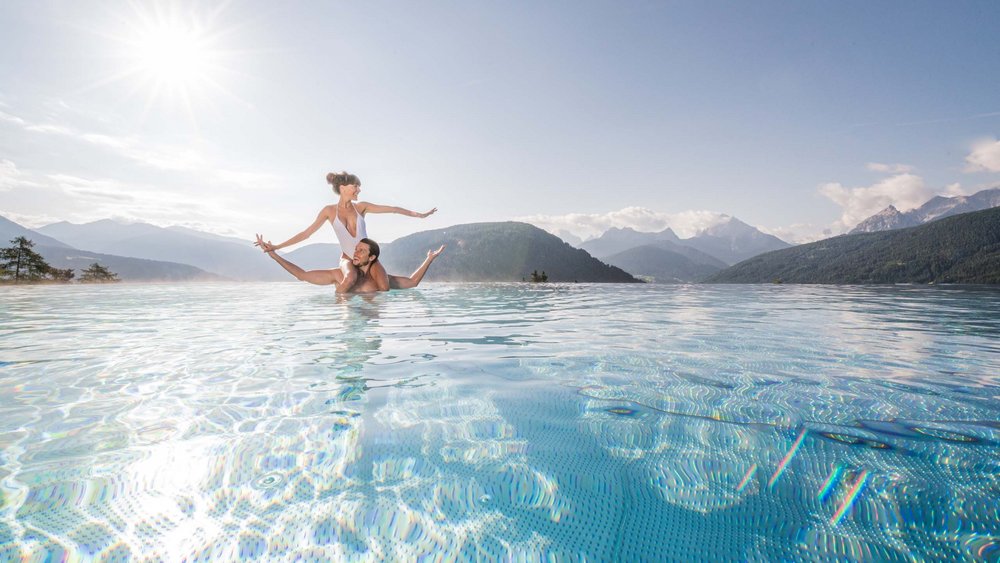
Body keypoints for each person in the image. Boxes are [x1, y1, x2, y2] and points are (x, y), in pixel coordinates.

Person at [255, 171, 436, 292]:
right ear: (343, 188)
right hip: (348, 259)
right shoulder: (329, 211)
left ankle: (372, 317)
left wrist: (419, 215)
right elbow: (306, 233)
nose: (359, 189)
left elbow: (393, 209)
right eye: (355, 186)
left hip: (369, 259)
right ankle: (341, 310)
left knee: (383, 286)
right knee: (349, 278)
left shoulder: (362, 208)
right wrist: (277, 246)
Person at [256, 234, 445, 293]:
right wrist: (275, 255)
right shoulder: (340, 275)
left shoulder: (382, 279)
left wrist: (429, 259)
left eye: (361, 250)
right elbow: (302, 275)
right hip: (347, 322)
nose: (356, 252)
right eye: (356, 248)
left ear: (371, 258)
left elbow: (412, 282)